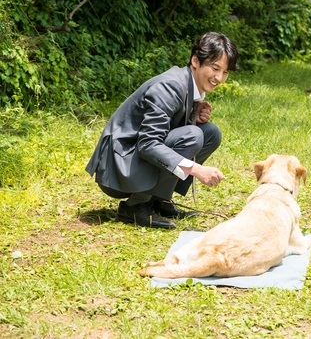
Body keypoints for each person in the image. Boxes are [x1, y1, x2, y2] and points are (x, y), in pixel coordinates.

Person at [86, 32, 239, 229]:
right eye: (215, 68)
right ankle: (135, 206)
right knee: (194, 135)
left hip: (133, 157)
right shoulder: (171, 85)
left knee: (210, 133)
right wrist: (196, 169)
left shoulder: (190, 84)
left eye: (225, 72)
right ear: (195, 60)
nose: (219, 77)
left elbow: (165, 130)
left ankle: (158, 199)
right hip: (118, 168)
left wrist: (193, 115)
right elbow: (148, 143)